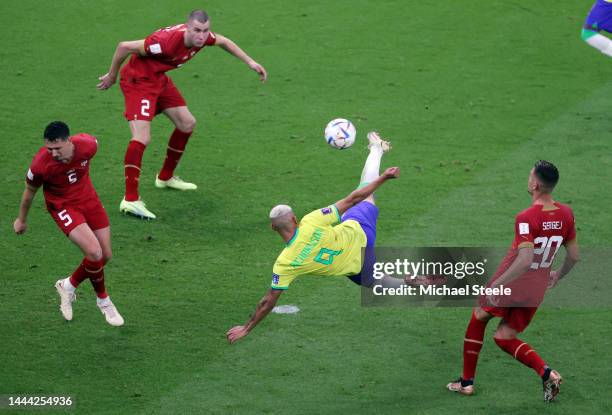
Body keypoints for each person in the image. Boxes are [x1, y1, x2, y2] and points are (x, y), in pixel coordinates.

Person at [227, 132, 400, 344]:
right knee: (363, 191)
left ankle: (417, 283)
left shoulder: (286, 263)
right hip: (360, 231)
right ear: (294, 218)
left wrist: (246, 328)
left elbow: (268, 301)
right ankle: (376, 148)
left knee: (378, 283)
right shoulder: (311, 221)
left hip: (355, 264)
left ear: (273, 228)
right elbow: (354, 198)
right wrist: (383, 177)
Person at [97, 9, 268, 219]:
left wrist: (250, 62)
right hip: (138, 81)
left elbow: (223, 41)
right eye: (197, 30)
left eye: (205, 31)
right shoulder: (164, 42)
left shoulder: (202, 39)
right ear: (187, 28)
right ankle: (130, 200)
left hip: (158, 79)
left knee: (187, 123)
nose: (201, 36)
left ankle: (165, 177)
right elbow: (124, 46)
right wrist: (112, 75)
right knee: (142, 137)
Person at [446, 160, 579, 402]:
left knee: (479, 315)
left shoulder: (526, 217)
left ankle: (466, 383)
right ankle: (547, 373)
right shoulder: (566, 213)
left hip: (515, 282)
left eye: (530, 176)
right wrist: (558, 274)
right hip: (536, 288)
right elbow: (574, 256)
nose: (528, 179)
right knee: (504, 336)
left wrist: (498, 285)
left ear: (536, 184)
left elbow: (525, 259)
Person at [13, 121, 124, 327]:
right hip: (63, 206)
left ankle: (68, 285)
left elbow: (94, 143)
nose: (53, 153)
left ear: (68, 141)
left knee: (105, 255)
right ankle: (103, 301)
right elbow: (29, 193)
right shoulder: (40, 165)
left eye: (57, 148)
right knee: (94, 252)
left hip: (89, 200)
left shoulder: (88, 145)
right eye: (49, 149)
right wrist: (22, 219)